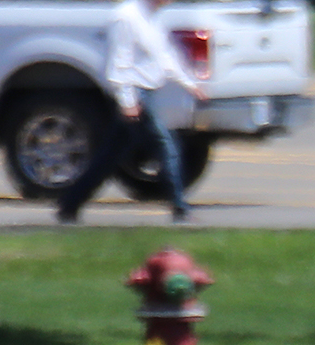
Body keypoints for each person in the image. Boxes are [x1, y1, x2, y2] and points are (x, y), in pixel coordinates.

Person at [56, 0, 204, 224]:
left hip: (147, 92)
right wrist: (128, 101)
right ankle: (180, 208)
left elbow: (164, 57)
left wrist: (189, 84)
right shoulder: (125, 17)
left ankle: (69, 205)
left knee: (110, 155)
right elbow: (119, 63)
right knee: (166, 145)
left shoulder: (152, 17)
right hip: (135, 94)